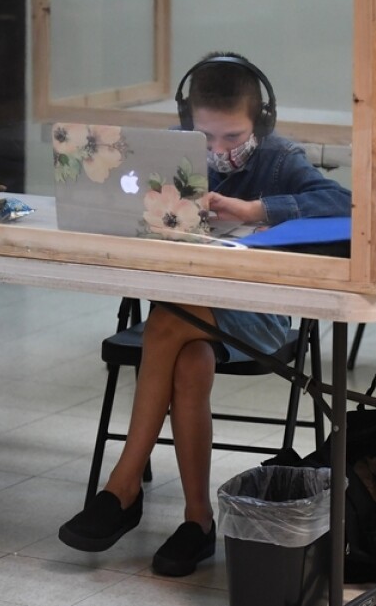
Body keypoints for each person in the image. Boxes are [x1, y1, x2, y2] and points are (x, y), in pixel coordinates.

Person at [58, 52, 351, 577]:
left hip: (256, 314)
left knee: (169, 319)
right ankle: (198, 522)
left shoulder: (279, 158)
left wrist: (255, 209)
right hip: (187, 318)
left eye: (233, 138)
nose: (217, 151)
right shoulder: (171, 149)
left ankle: (123, 485)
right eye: (205, 137)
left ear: (260, 121)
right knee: (189, 358)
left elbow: (342, 204)